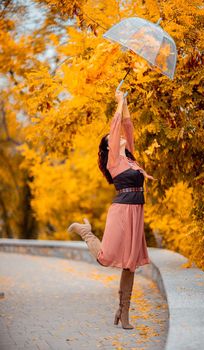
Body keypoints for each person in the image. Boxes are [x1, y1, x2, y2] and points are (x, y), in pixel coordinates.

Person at [68, 90, 155, 330]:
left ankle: (123, 312)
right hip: (121, 212)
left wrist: (125, 101)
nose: (115, 137)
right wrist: (118, 101)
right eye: (111, 137)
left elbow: (127, 125)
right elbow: (116, 127)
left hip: (136, 212)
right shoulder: (113, 161)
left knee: (130, 264)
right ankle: (87, 232)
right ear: (108, 146)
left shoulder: (130, 159)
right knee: (106, 258)